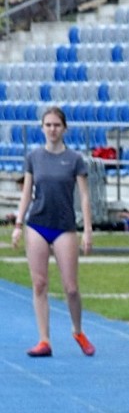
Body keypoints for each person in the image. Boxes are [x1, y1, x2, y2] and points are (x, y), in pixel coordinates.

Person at [11, 106, 95, 358]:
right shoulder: (34, 157)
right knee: (39, 283)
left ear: (64, 128)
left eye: (56, 125)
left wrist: (87, 229)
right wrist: (18, 224)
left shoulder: (74, 159)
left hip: (64, 226)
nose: (52, 129)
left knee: (70, 287)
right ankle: (44, 339)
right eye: (48, 125)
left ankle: (78, 330)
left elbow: (84, 196)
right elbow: (27, 193)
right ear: (42, 128)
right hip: (37, 223)